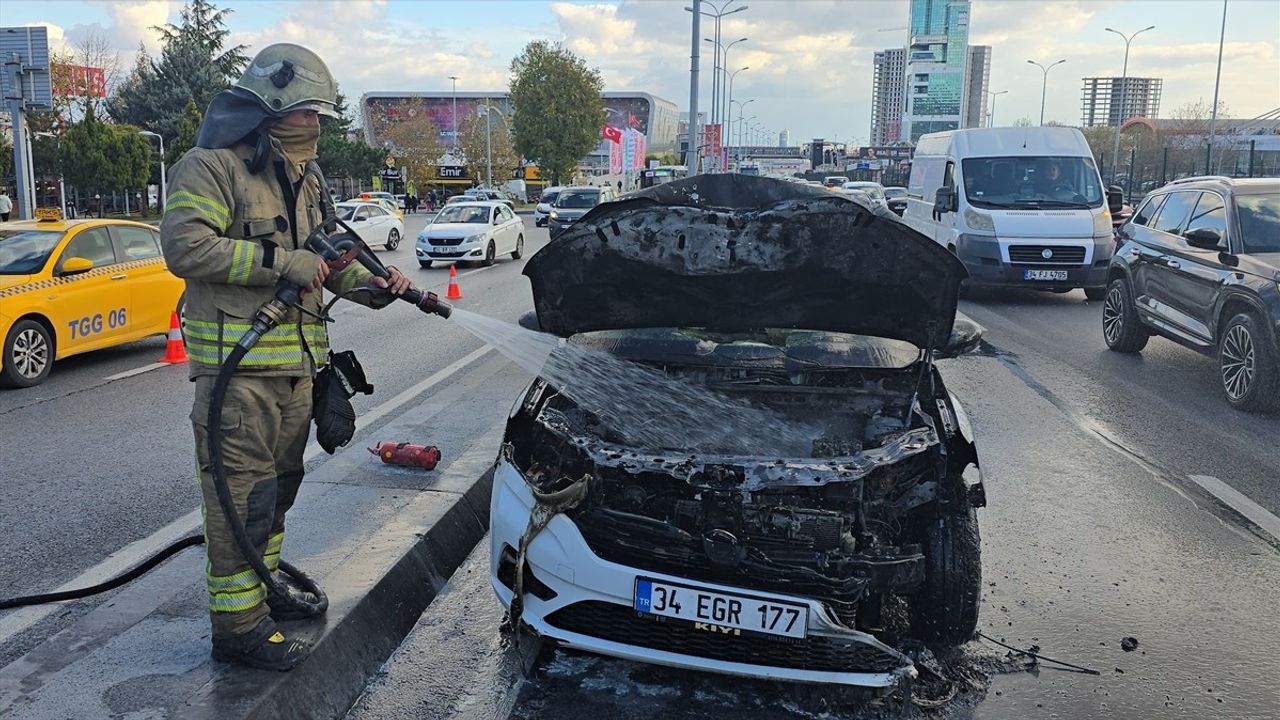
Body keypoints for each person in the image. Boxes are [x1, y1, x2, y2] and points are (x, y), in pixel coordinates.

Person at [160, 43, 416, 672]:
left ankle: (266, 593)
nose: (319, 128)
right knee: (239, 504)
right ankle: (239, 631)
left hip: (298, 372)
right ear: (273, 107)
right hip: (238, 379)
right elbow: (186, 248)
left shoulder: (307, 177)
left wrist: (376, 286)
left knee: (277, 496)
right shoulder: (211, 167)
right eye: (310, 114)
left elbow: (329, 256)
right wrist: (281, 264)